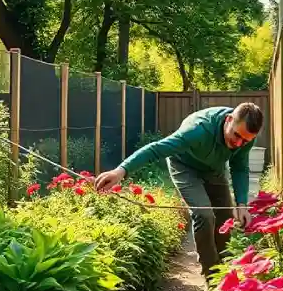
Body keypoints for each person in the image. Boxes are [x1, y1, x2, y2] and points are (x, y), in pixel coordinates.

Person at [95, 103, 264, 277]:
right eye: (236, 135)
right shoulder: (198, 130)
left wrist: (242, 204)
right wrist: (120, 171)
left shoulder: (245, 138)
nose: (238, 143)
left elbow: (240, 168)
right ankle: (211, 276)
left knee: (225, 219)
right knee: (204, 215)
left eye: (245, 141)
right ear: (229, 120)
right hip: (185, 167)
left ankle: (226, 273)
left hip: (214, 169)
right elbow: (156, 150)